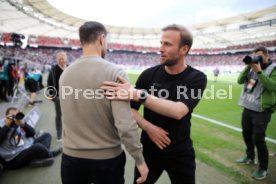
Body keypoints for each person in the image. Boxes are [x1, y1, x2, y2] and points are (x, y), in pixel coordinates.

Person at [101, 24, 207, 184]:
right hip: (149, 151)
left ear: (184, 49)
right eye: (161, 43)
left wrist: (138, 94)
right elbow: (132, 110)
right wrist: (149, 128)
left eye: (167, 44)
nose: (161, 48)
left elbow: (178, 111)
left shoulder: (196, 78)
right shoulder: (148, 75)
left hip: (180, 152)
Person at [59, 21, 148, 184]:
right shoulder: (114, 72)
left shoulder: (65, 74)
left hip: (71, 158)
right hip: (106, 160)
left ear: (82, 41)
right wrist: (139, 159)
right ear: (102, 39)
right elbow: (125, 125)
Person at [236, 46, 276, 180]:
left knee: (258, 139)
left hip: (261, 110)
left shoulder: (273, 68)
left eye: (259, 56)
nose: (257, 58)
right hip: (248, 107)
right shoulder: (251, 68)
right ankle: (250, 157)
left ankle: (263, 168)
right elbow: (240, 80)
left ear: (267, 56)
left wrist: (259, 72)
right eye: (255, 56)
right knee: (246, 134)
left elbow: (273, 86)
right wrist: (249, 65)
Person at [0, 107, 62, 171]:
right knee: (37, 147)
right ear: (7, 117)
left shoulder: (19, 122)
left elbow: (32, 133)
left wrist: (24, 125)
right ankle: (50, 154)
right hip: (13, 158)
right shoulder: (1, 125)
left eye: (17, 115)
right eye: (13, 116)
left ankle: (37, 159)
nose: (16, 118)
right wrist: (6, 126)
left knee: (47, 136)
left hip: (25, 147)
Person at [47, 51, 67, 141]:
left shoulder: (70, 68)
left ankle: (69, 132)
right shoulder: (53, 70)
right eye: (60, 59)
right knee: (59, 115)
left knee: (70, 115)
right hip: (58, 96)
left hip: (69, 96)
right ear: (57, 60)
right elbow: (49, 82)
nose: (61, 60)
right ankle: (59, 134)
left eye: (63, 59)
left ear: (66, 59)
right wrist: (50, 94)